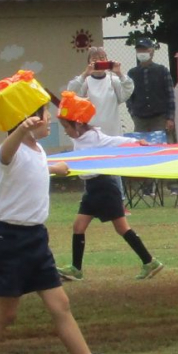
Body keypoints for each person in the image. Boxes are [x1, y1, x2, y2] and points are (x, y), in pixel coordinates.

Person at [0, 72, 126, 354]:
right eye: (43, 113)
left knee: (59, 304)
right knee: (5, 314)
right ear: (26, 120)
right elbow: (9, 156)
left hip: (36, 240)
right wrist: (19, 129)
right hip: (11, 242)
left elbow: (32, 166)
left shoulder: (35, 150)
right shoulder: (6, 152)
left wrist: (55, 167)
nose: (50, 118)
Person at [53, 93, 163, 281]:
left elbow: (116, 141)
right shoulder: (79, 137)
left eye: (66, 127)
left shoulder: (95, 137)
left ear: (78, 124)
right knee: (79, 226)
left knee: (121, 227)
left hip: (104, 187)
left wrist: (136, 143)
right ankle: (76, 269)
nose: (65, 131)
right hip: (92, 188)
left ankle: (150, 261)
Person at [65, 47, 134, 137]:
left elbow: (127, 91)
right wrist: (85, 74)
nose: (99, 62)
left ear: (107, 60)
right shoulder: (85, 82)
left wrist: (119, 73)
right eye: (94, 59)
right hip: (92, 133)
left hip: (113, 133)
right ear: (89, 62)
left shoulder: (114, 81)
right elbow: (71, 92)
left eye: (102, 59)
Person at [126, 37, 175, 139]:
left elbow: (170, 95)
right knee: (141, 147)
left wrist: (170, 118)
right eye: (139, 50)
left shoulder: (162, 71)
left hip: (160, 118)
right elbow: (128, 95)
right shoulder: (132, 73)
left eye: (145, 50)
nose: (142, 52)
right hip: (140, 119)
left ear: (152, 51)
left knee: (163, 145)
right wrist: (132, 113)